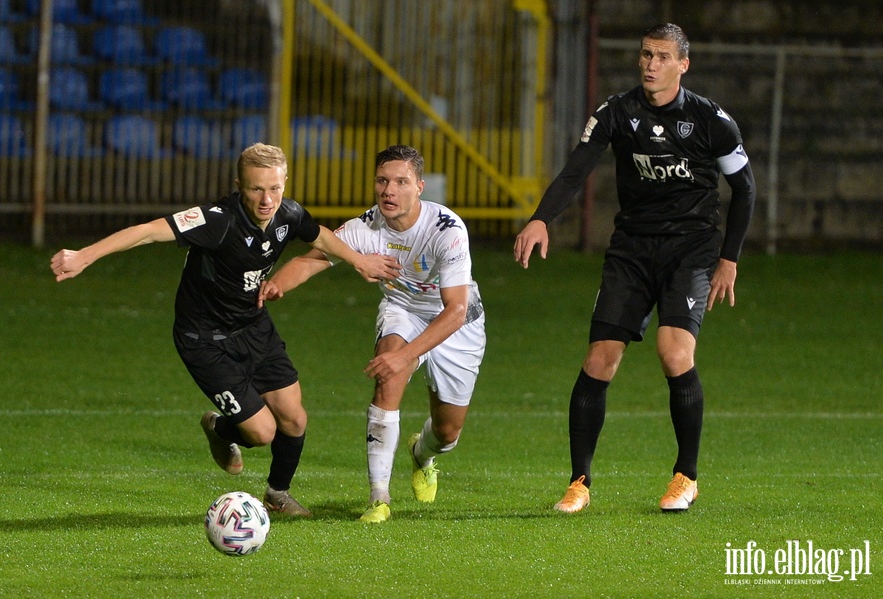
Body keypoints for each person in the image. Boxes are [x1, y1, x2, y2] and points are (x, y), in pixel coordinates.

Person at [50, 143, 400, 517]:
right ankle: (220, 430)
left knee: (295, 418)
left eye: (274, 189)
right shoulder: (216, 220)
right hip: (203, 338)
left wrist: (359, 261)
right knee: (262, 433)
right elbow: (148, 232)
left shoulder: (289, 213)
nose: (267, 200)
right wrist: (84, 256)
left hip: (252, 324)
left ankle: (277, 495)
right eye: (255, 189)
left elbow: (320, 236)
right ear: (239, 185)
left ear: (284, 183)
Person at [514, 23, 755, 513]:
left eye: (663, 57)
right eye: (646, 54)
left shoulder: (711, 121)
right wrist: (541, 219)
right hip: (631, 251)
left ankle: (686, 477)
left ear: (683, 65)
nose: (650, 64)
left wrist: (728, 258)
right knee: (600, 358)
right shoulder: (617, 111)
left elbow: (745, 189)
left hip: (690, 251)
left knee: (673, 352)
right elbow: (577, 167)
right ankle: (578, 483)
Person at [259, 144, 486, 523]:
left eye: (400, 182)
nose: (389, 191)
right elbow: (311, 260)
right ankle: (379, 498)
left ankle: (422, 455)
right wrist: (276, 285)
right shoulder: (366, 227)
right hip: (403, 312)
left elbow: (456, 311)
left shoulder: (446, 230)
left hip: (456, 324)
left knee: (447, 432)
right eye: (382, 181)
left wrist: (406, 355)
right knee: (388, 379)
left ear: (419, 187)